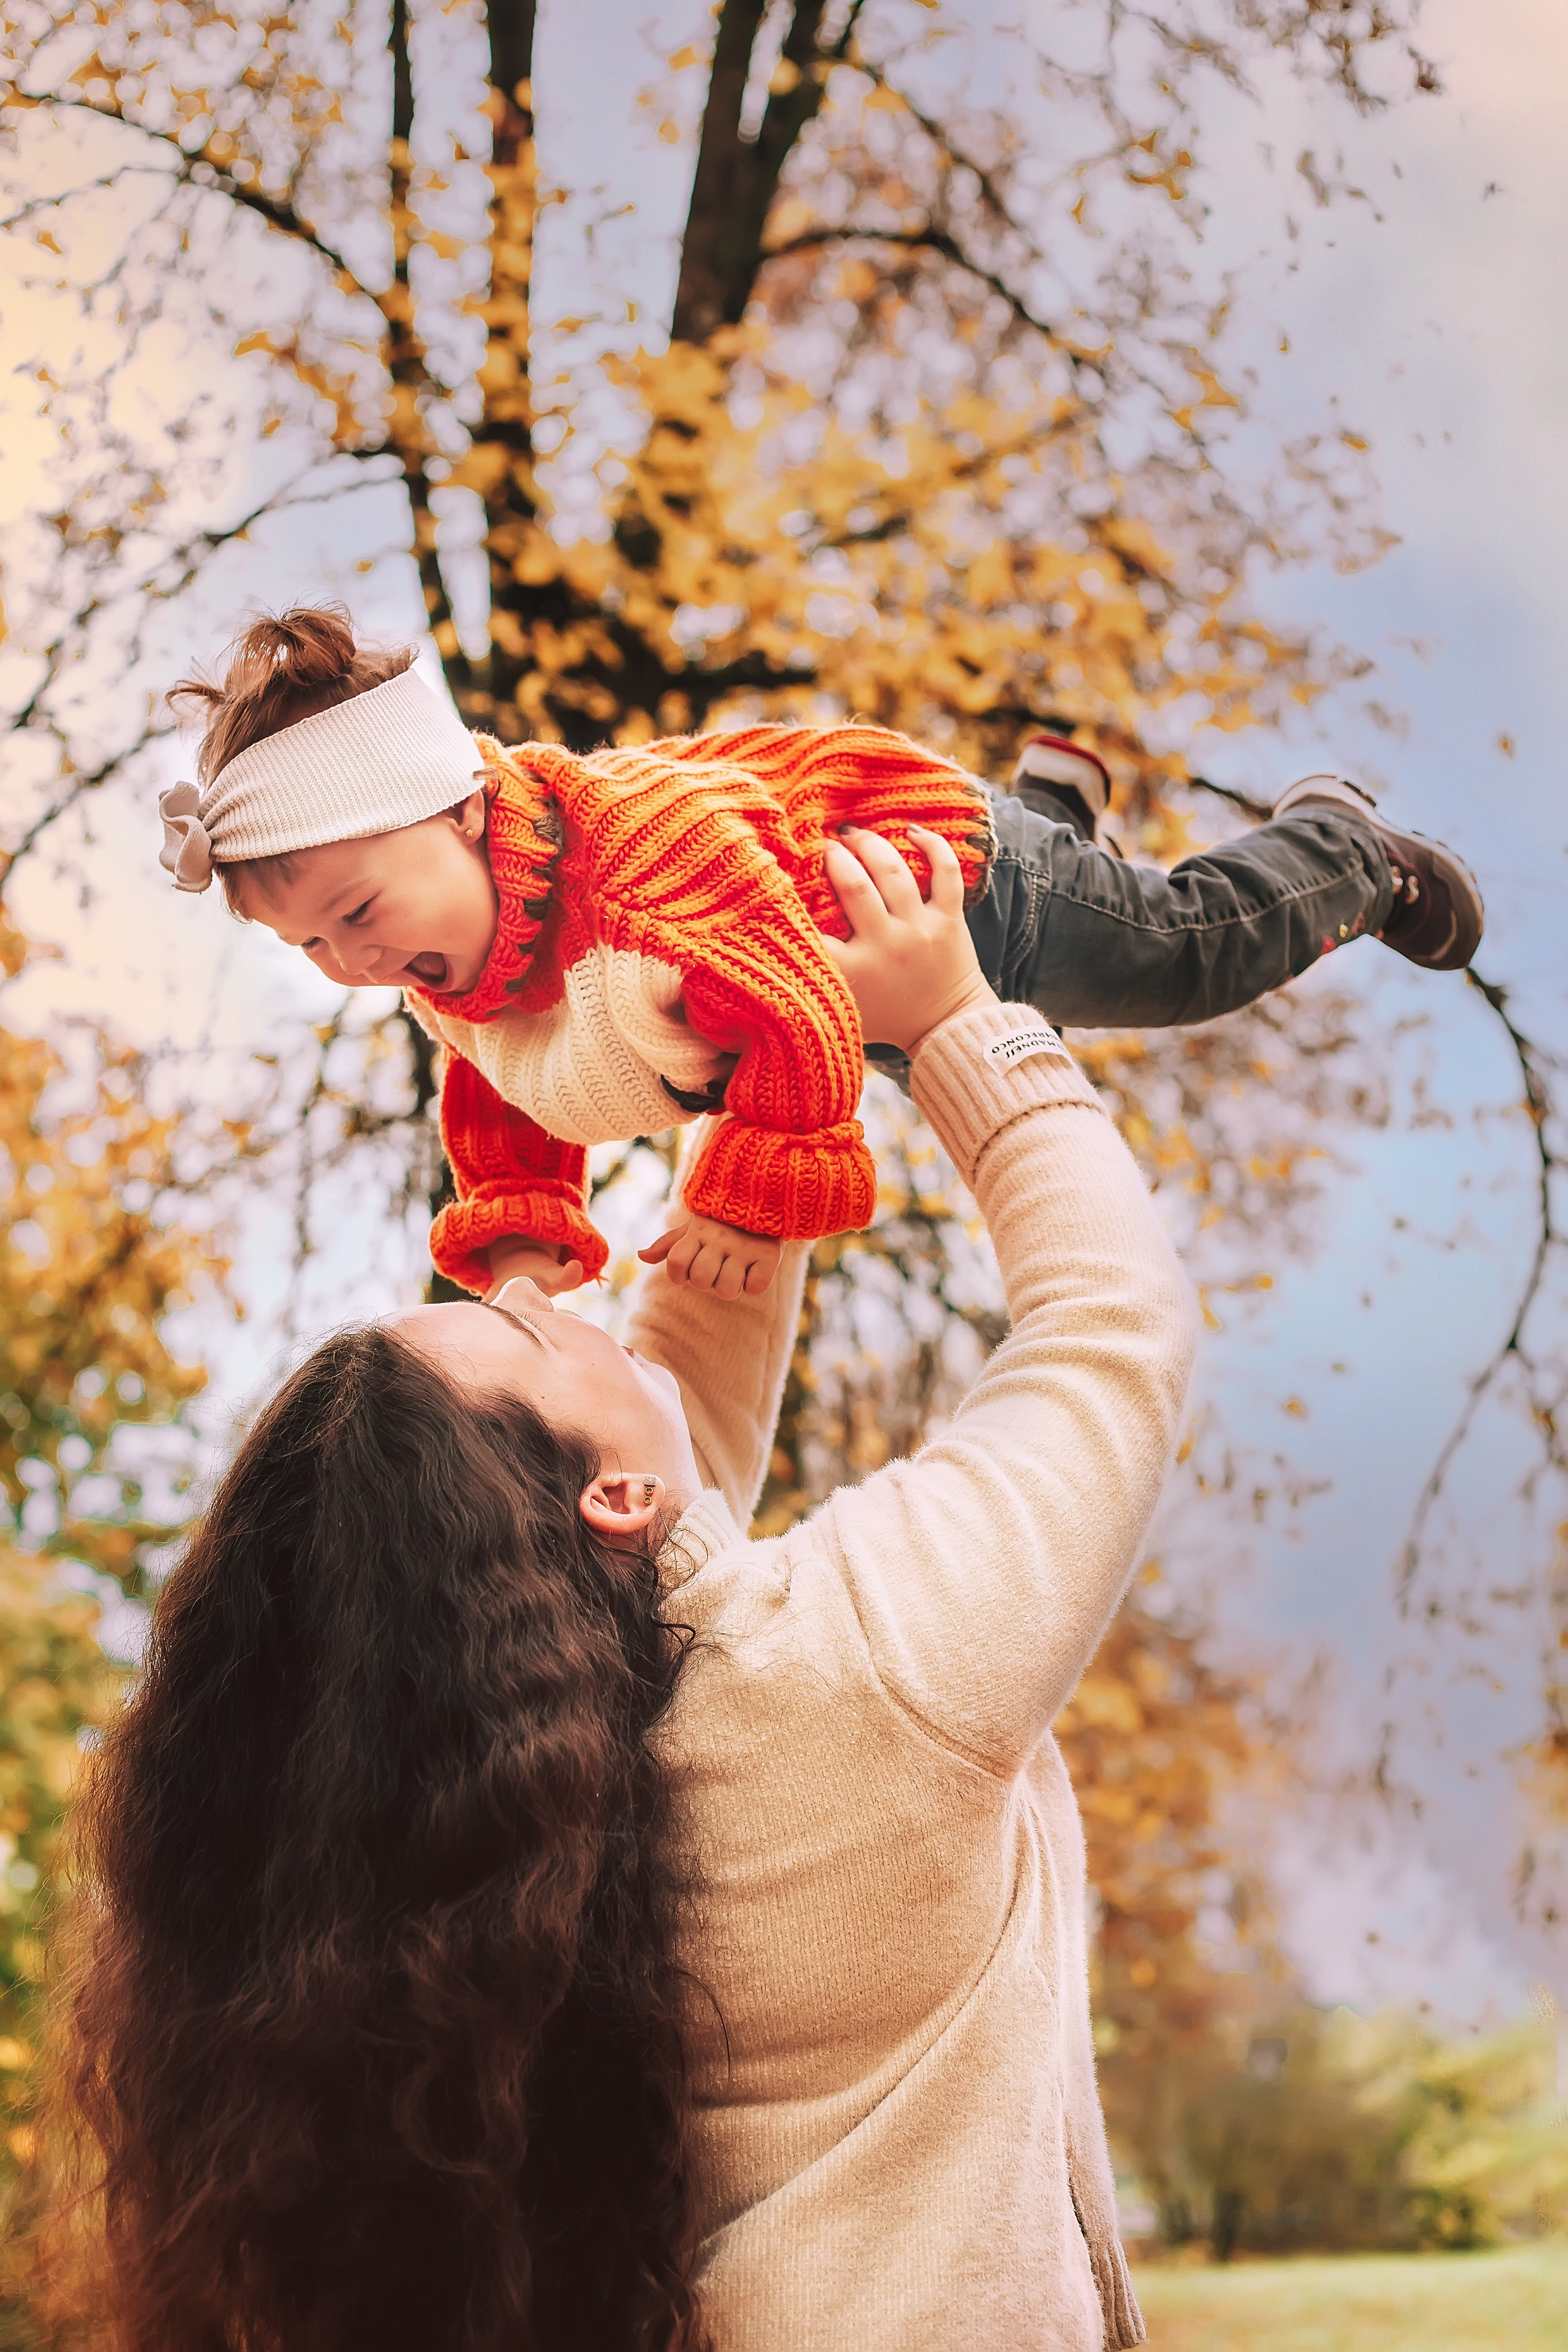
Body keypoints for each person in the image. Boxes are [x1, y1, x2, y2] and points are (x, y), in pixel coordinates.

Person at [50, 829, 1197, 2352]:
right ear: (604, 1499)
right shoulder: (870, 1670)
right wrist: (954, 1024)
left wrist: (773, 1080)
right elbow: (1110, 1330)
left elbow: (660, 1503)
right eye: (524, 1335)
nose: (539, 1293)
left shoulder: (490, 1807)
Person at [157, 607, 1482, 1300]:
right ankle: (1059, 798)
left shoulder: (636, 862)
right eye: (310, 944)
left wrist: (746, 1188)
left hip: (941, 886)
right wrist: (521, 1233)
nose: (350, 962)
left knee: (1170, 961)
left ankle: (1344, 848)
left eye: (356, 913)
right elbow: (503, 1075)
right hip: (856, 964)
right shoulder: (443, 946)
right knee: (998, 1053)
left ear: (457, 810)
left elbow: (791, 991)